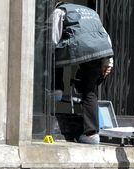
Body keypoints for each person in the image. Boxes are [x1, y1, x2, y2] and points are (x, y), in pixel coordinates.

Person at [52, 2, 114, 144]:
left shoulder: (60, 11)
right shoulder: (92, 13)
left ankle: (57, 90)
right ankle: (92, 134)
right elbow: (105, 37)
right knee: (89, 91)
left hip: (79, 47)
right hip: (100, 51)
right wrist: (108, 61)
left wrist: (48, 57)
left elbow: (53, 38)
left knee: (53, 56)